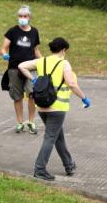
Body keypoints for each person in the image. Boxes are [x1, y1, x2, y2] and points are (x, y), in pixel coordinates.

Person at [18, 37, 91, 181]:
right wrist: (83, 97)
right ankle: (39, 169)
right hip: (58, 107)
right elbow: (71, 83)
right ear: (63, 50)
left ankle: (69, 165)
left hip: (42, 106)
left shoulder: (41, 61)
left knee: (58, 136)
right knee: (50, 137)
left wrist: (33, 79)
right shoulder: (64, 63)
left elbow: (21, 66)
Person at [0, 5, 41, 134]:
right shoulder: (12, 31)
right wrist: (4, 54)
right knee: (17, 96)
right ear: (18, 17)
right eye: (20, 16)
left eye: (25, 16)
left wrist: (44, 62)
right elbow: (4, 48)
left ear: (29, 17)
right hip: (14, 68)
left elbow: (36, 50)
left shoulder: (34, 32)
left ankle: (31, 122)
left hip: (30, 68)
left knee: (32, 94)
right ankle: (19, 122)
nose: (22, 18)